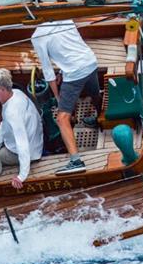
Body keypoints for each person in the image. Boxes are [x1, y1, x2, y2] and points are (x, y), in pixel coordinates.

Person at [31, 20, 101, 175]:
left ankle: (76, 161)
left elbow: (48, 71)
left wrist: (57, 97)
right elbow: (73, 45)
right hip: (90, 61)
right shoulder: (64, 18)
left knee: (62, 119)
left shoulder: (37, 37)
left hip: (75, 73)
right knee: (94, 94)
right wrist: (62, 73)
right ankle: (99, 118)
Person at [0, 68, 44, 187]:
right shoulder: (16, 93)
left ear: (2, 89)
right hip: (34, 140)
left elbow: (22, 145)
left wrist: (22, 176)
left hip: (28, 152)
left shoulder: (12, 113)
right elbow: (4, 124)